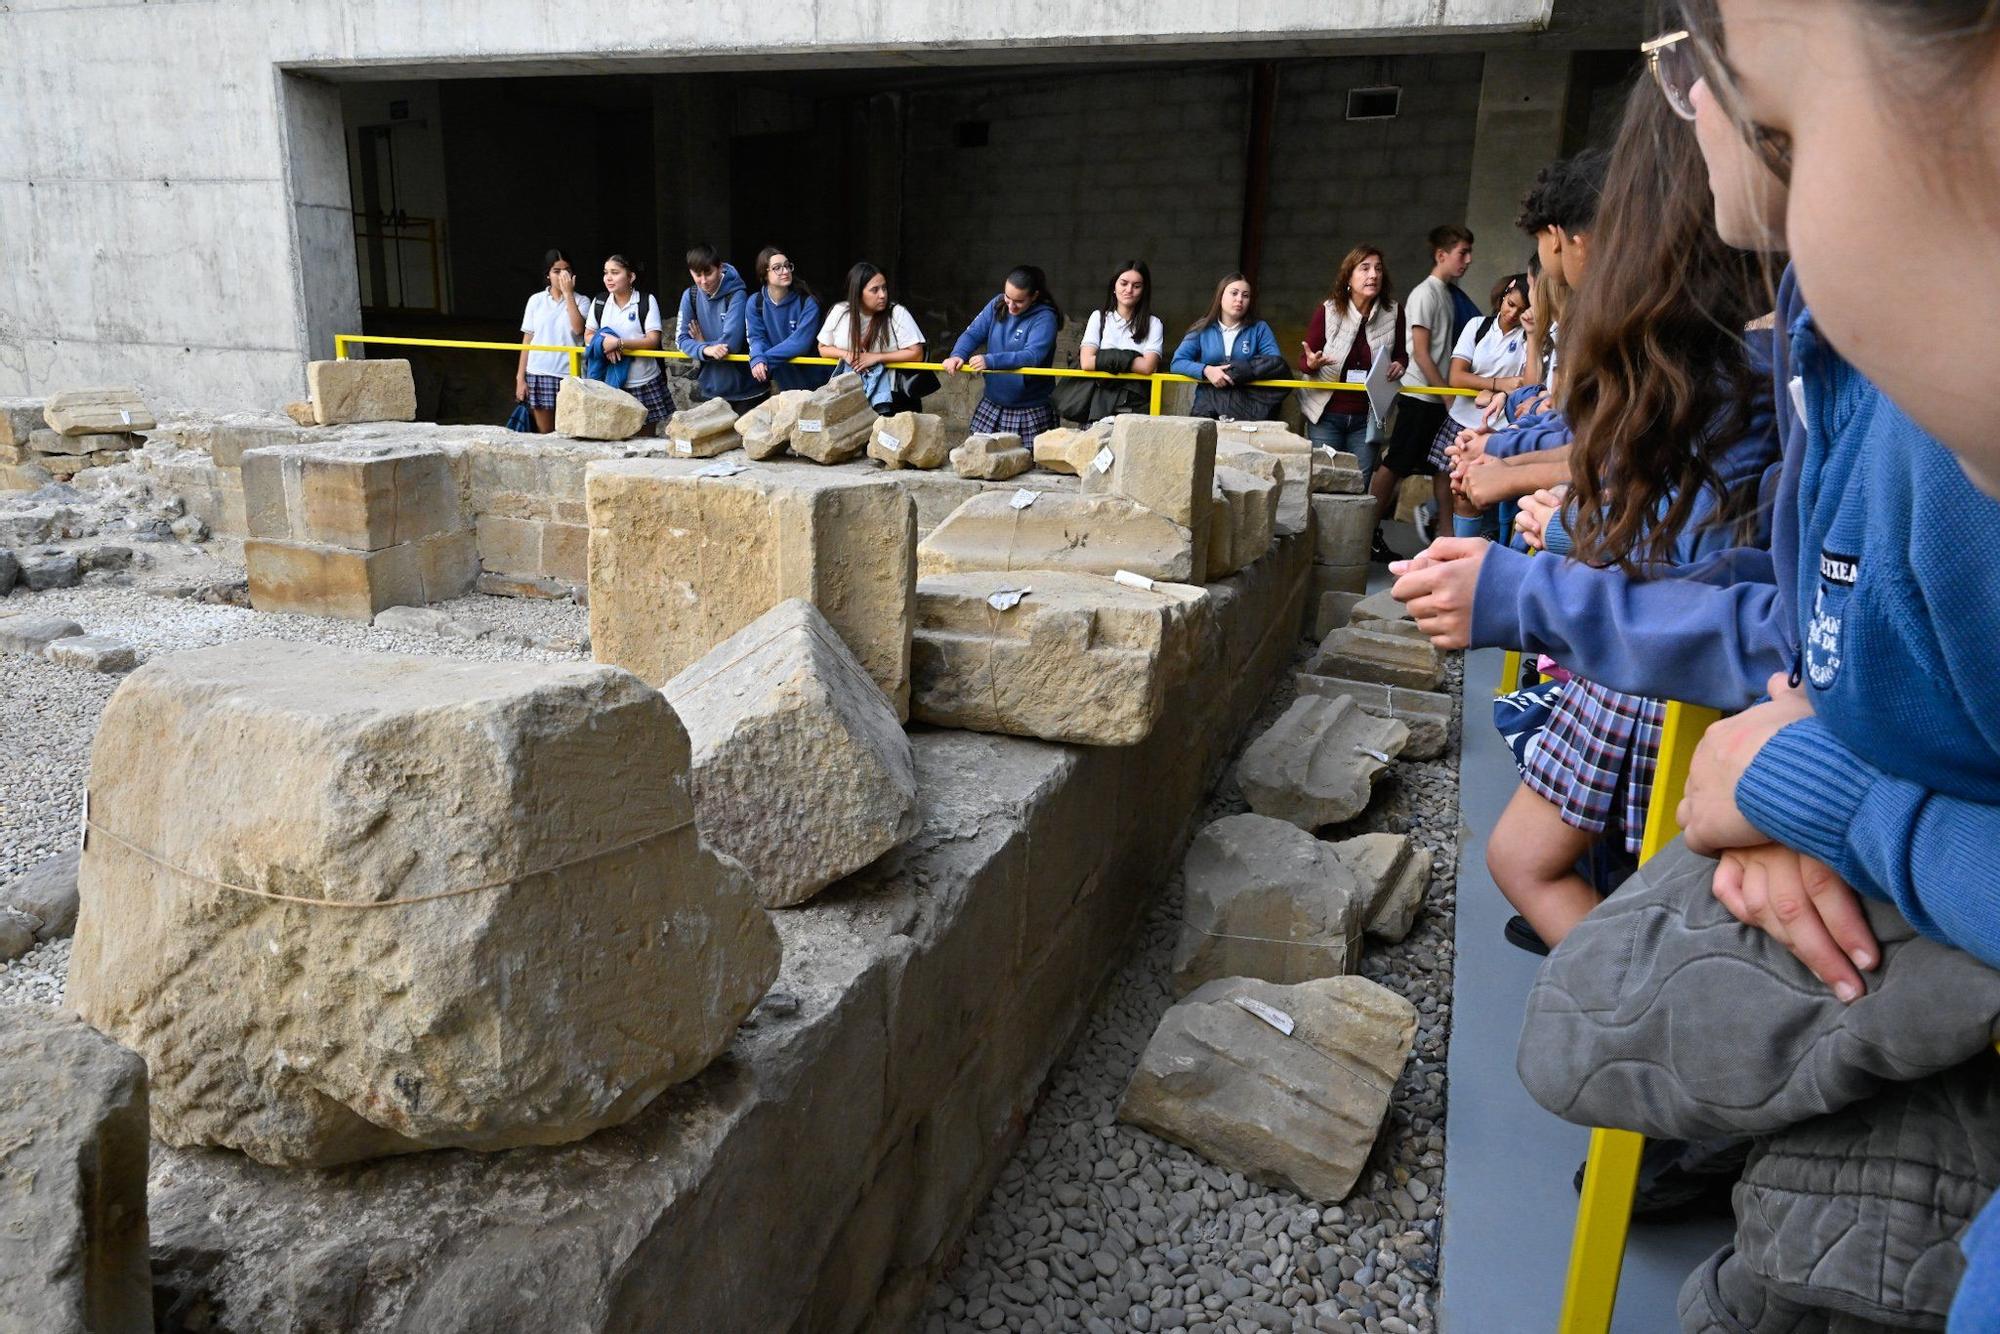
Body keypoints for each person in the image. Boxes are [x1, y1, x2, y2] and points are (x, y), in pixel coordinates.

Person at [1482, 78, 1775, 953]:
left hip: (1653, 647)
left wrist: (1556, 534)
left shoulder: (1720, 363)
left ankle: (1621, 997)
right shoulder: (1736, 349)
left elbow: (1693, 549)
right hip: (1655, 635)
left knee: (1538, 862)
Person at [1366, 225, 1473, 559]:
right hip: (1421, 395)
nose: (1467, 261)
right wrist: (1446, 394)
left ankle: (1447, 535)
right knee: (1396, 463)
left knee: (1444, 465)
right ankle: (1364, 530)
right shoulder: (1425, 293)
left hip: (1437, 395)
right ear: (1441, 255)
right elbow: (1421, 353)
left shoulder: (1447, 294)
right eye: (1462, 253)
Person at [1298, 246, 1406, 476]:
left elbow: (1400, 355)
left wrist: (1400, 365)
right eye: (1365, 268)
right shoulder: (1328, 311)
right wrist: (1312, 364)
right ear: (1348, 276)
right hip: (1326, 415)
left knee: (1359, 484)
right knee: (1323, 481)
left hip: (1368, 417)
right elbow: (1304, 361)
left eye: (1378, 269)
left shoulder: (1394, 312)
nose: (1373, 275)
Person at [1443, 274, 1531, 537]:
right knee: (1461, 492)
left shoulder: (1530, 337)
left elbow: (1525, 384)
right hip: (1462, 422)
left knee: (1494, 496)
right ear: (1503, 295)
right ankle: (1461, 550)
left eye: (1522, 309)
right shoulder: (1477, 326)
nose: (1513, 313)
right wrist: (1498, 384)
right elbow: (1456, 377)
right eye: (1511, 303)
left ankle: (1485, 552)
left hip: (1502, 428)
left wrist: (1488, 388)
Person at [942, 265, 1064, 448]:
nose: (1011, 306)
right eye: (1008, 297)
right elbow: (973, 333)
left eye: (1019, 301)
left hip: (1029, 408)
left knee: (1029, 468)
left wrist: (991, 361)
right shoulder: (997, 304)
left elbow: (1032, 355)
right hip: (993, 403)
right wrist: (957, 354)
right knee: (978, 457)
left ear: (1035, 296)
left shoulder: (1045, 318)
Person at [816, 262, 929, 415]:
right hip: (852, 391)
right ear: (858, 292)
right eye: (874, 290)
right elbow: (822, 348)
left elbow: (916, 353)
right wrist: (847, 355)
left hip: (893, 394)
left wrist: (876, 358)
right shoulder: (840, 311)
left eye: (884, 288)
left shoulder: (897, 313)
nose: (882, 295)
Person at [1170, 273, 1285, 421]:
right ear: (1221, 296)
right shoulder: (1202, 328)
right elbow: (1177, 362)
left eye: (1245, 295)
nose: (1239, 300)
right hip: (1208, 406)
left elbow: (1274, 363)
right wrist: (1206, 370)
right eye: (1234, 293)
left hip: (1247, 407)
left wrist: (1241, 370)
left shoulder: (1259, 328)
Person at [1065, 261, 1164, 424]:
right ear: (1114, 286)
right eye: (1123, 283)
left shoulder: (1153, 323)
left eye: (1137, 285)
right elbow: (1087, 362)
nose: (1129, 290)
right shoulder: (1099, 317)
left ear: (1144, 290)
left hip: (1135, 405)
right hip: (1098, 403)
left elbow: (1148, 367)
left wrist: (1103, 358)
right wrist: (1133, 358)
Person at [676, 243, 762, 413]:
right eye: (697, 275)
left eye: (708, 273)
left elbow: (731, 344)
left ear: (720, 268)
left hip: (746, 389)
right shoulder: (690, 295)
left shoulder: (737, 294)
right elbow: (681, 340)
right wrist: (706, 348)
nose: (703, 281)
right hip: (711, 388)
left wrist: (702, 345)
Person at [584, 254, 668, 428]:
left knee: (645, 438)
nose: (608, 277)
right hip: (608, 383)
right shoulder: (600, 302)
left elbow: (653, 339)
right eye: (606, 272)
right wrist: (604, 344)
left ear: (631, 277)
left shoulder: (646, 301)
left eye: (615, 272)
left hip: (643, 381)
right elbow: (588, 335)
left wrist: (619, 344)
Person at [515, 249, 587, 434]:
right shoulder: (536, 300)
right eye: (556, 271)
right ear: (547, 274)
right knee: (545, 431)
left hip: (569, 373)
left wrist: (569, 294)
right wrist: (520, 378)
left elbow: (579, 329)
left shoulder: (582, 301)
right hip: (539, 371)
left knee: (571, 430)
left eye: (567, 270)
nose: (562, 275)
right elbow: (528, 339)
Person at [745, 245, 831, 393]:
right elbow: (756, 337)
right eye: (777, 268)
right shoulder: (755, 303)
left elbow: (800, 343)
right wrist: (757, 356)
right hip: (783, 383)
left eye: (787, 266)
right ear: (764, 274)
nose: (785, 271)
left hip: (816, 383)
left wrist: (760, 358)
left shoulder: (807, 302)